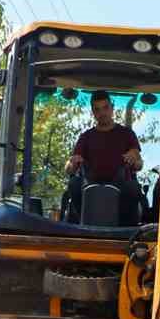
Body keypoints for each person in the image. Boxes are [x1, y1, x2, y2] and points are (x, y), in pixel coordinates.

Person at [61, 90, 146, 225]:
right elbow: (70, 166)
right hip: (90, 186)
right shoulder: (86, 137)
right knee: (74, 184)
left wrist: (135, 160)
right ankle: (81, 227)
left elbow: (139, 163)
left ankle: (125, 231)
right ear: (93, 112)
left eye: (105, 108)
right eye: (97, 109)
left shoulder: (127, 134)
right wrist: (71, 164)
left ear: (112, 108)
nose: (102, 113)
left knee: (133, 187)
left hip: (121, 186)